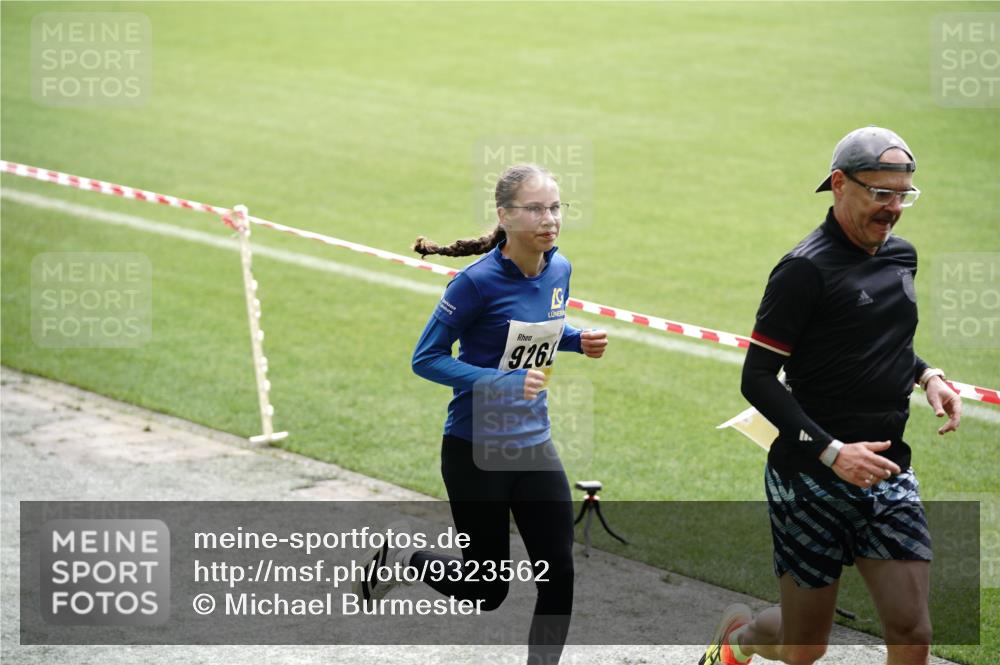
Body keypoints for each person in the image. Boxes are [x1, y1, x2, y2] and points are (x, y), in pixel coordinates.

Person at [700, 127, 962, 665]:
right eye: (880, 193)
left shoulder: (901, 257)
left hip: (886, 469)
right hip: (810, 474)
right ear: (839, 184)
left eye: (903, 195)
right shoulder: (803, 270)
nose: (893, 209)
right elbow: (757, 378)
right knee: (805, 645)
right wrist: (832, 452)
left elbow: (880, 341)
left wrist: (928, 375)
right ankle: (738, 639)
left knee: (913, 632)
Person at [354, 163, 608, 665]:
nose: (549, 219)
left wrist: (578, 339)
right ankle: (406, 560)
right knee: (486, 590)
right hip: (475, 449)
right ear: (505, 216)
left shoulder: (560, 268)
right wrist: (500, 381)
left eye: (555, 207)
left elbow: (539, 328)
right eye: (535, 209)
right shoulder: (473, 283)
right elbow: (425, 358)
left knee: (558, 574)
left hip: (534, 443)